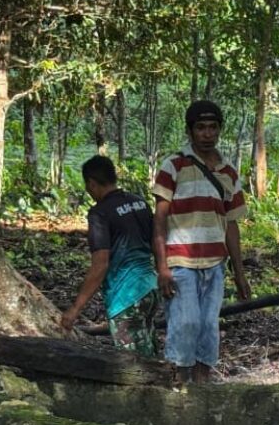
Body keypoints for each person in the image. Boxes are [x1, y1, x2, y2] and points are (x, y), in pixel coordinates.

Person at [152, 100, 251, 383]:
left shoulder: (228, 171)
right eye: (201, 128)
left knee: (208, 328)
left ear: (220, 130)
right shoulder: (174, 166)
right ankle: (179, 389)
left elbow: (231, 224)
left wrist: (240, 274)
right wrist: (162, 266)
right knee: (185, 325)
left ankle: (202, 390)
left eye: (212, 127)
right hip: (180, 262)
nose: (207, 134)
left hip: (215, 264)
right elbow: (159, 218)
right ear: (190, 131)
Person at [60, 155, 159, 356]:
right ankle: (165, 382)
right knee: (148, 347)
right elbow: (156, 241)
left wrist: (75, 308)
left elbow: (100, 264)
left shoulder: (100, 213)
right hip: (150, 288)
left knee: (133, 363)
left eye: (88, 187)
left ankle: (155, 386)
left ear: (92, 184)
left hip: (126, 295)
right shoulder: (140, 203)